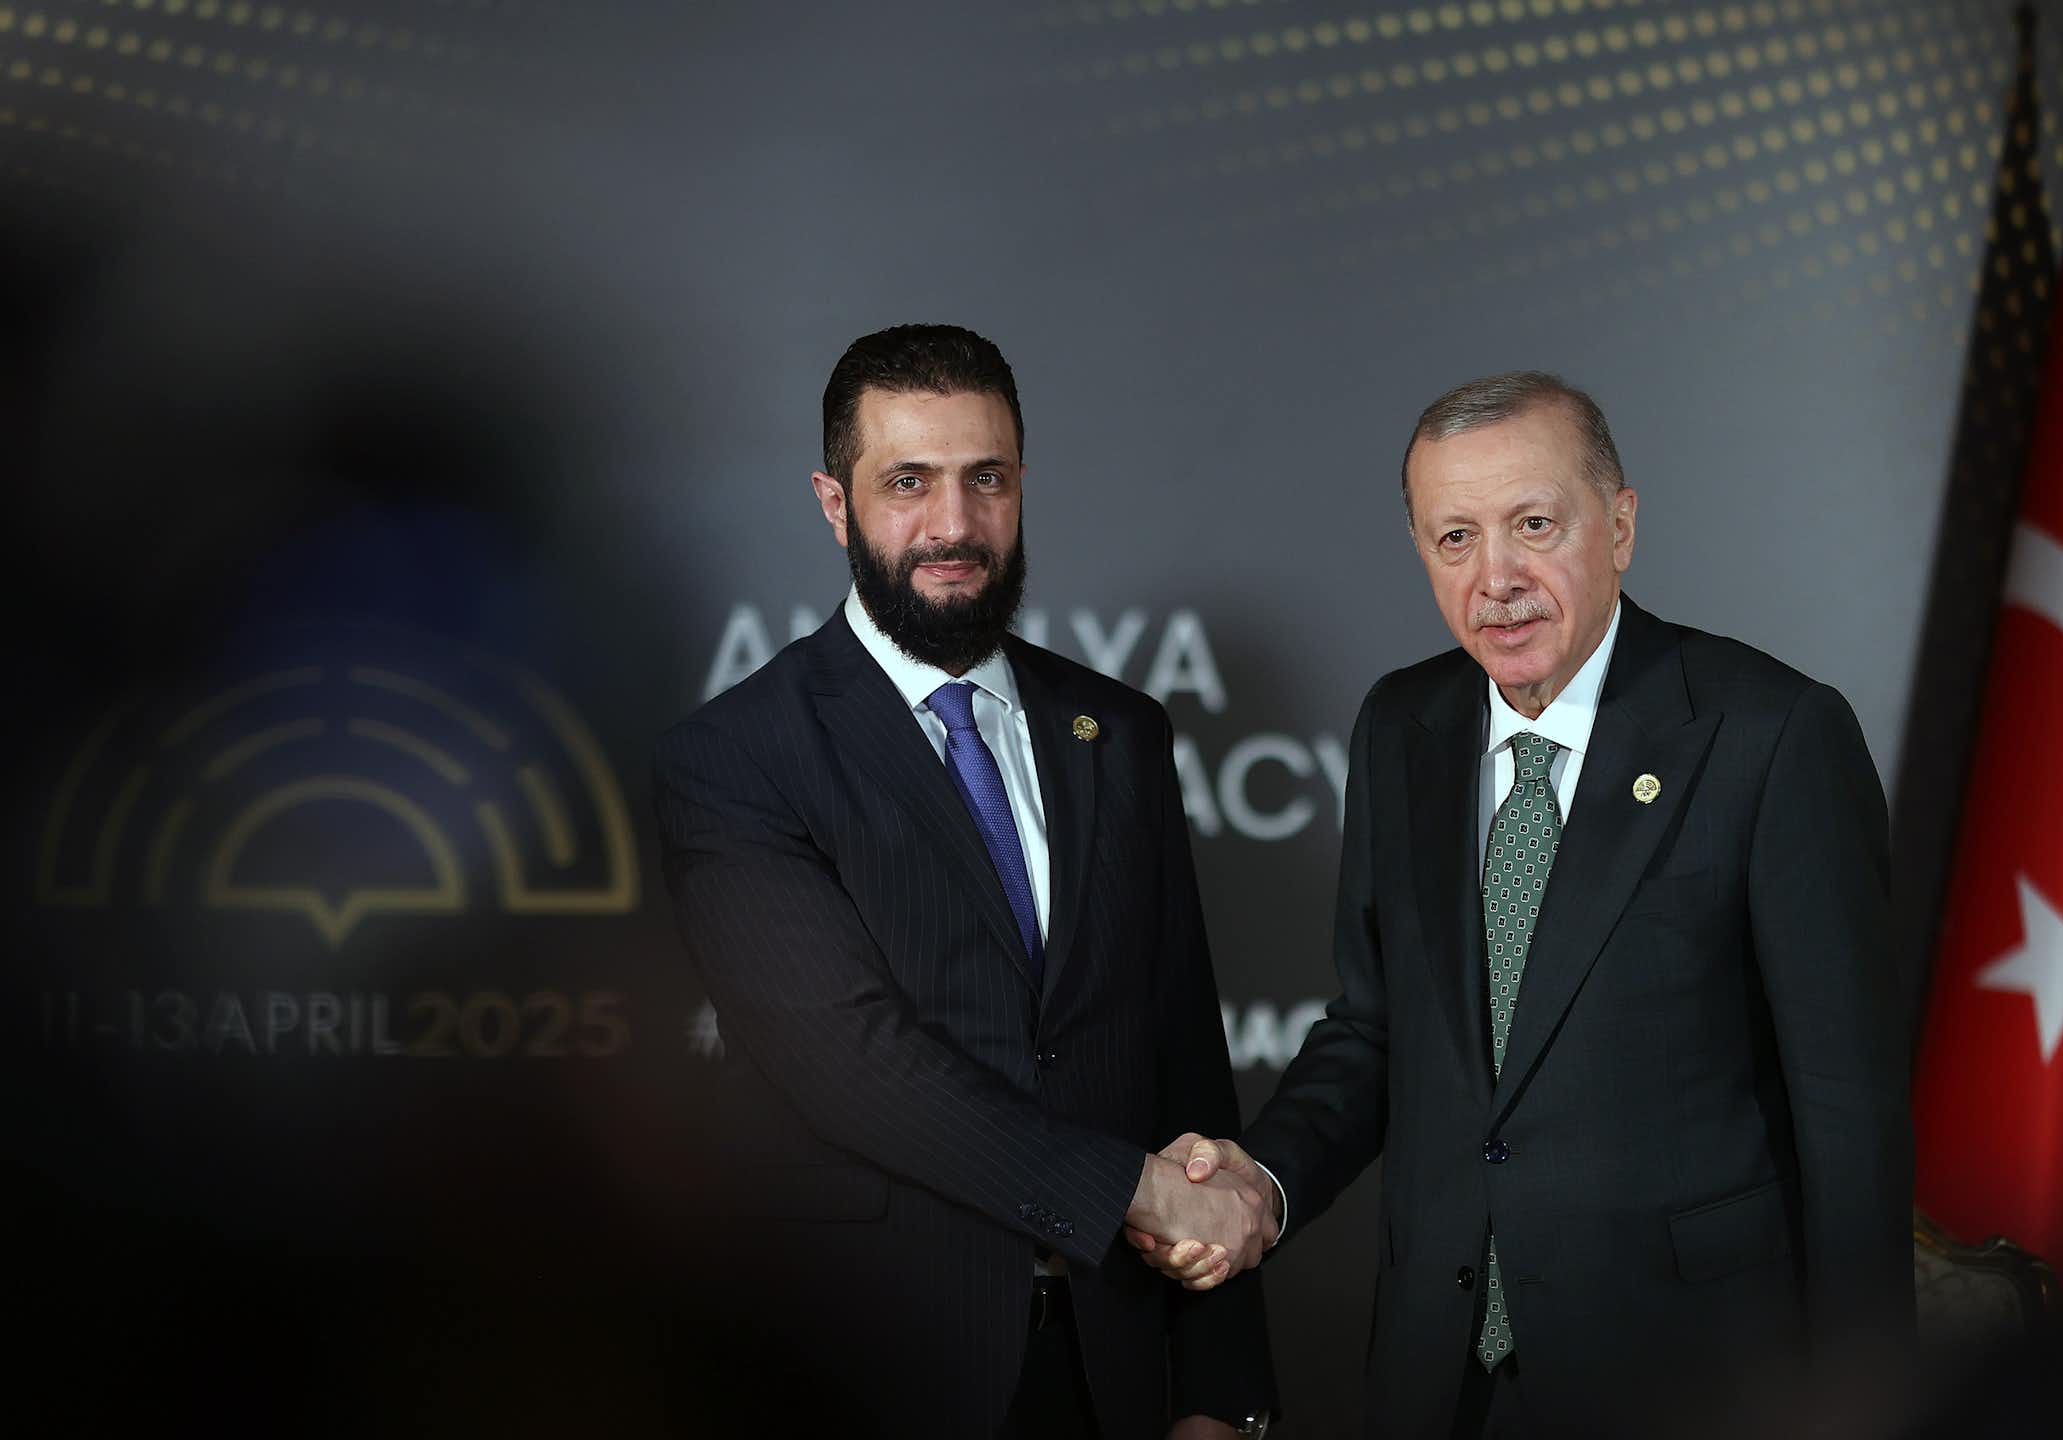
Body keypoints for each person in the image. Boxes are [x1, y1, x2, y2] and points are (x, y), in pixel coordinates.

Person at [1129, 372, 1913, 1435]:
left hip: (1696, 1381)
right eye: (1454, 539)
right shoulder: (1403, 728)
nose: (1495, 578)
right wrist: (1262, 1182)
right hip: (1440, 1379)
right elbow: (1374, 1032)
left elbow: (1846, 1118)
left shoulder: (1769, 736)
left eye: (1532, 525)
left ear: (1621, 525)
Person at [654, 324, 1277, 1439]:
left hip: (1114, 1376)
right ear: (834, 504)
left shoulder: (1119, 733)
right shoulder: (737, 758)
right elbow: (857, 1068)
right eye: (907, 483)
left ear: (1021, 485)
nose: (953, 525)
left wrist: (1224, 1394)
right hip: (871, 1369)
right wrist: (1135, 1190)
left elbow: (1182, 1057)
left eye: (984, 478)